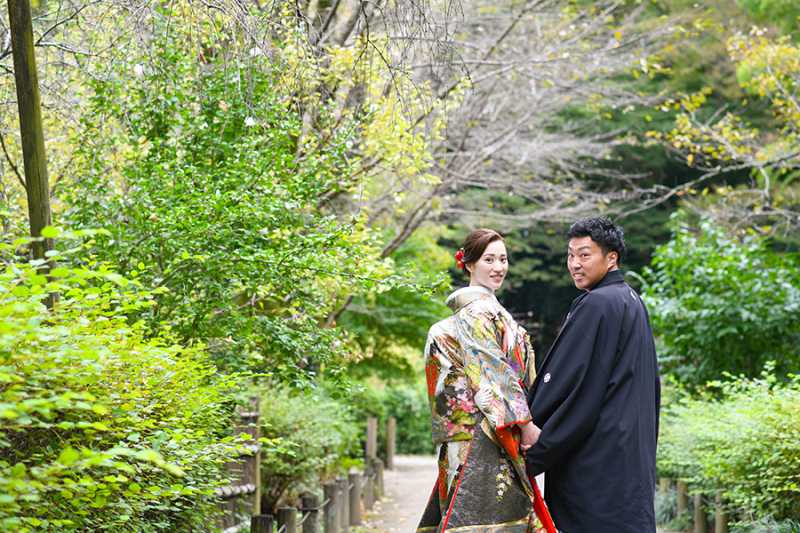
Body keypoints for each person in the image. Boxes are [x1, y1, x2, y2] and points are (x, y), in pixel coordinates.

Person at [524, 217, 661, 533]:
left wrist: (529, 428)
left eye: (584, 255)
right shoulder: (631, 300)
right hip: (627, 455)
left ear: (611, 258)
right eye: (570, 255)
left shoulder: (597, 303)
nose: (574, 264)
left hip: (597, 462)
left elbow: (570, 384)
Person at [417, 228, 554, 533]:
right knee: (484, 520)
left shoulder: (484, 310)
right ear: (468, 264)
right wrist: (526, 425)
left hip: (479, 429)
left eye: (503, 259)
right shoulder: (476, 312)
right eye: (488, 259)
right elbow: (491, 372)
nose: (498, 267)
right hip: (482, 433)